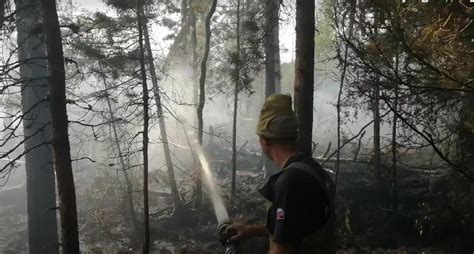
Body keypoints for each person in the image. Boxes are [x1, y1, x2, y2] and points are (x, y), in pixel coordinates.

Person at [227, 94, 335, 254]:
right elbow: (293, 226)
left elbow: (283, 249)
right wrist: (250, 230)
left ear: (265, 141)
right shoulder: (309, 169)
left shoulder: (290, 183)